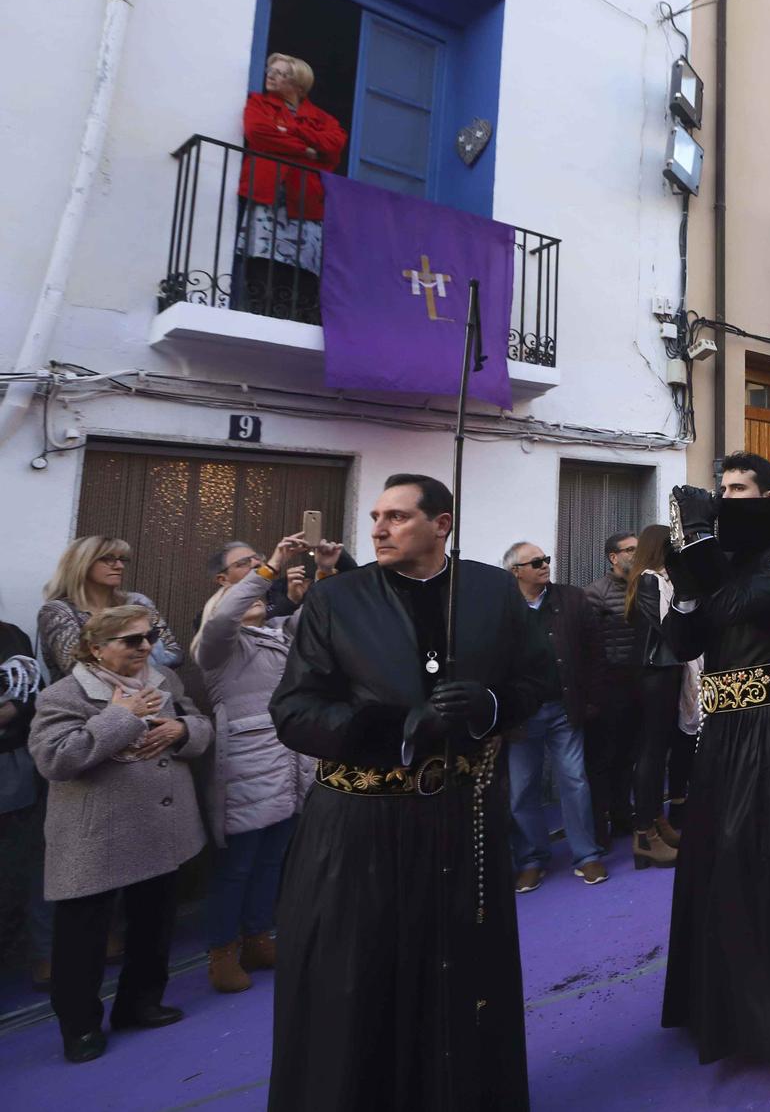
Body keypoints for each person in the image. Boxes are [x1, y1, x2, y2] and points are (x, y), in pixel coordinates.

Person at [268, 474, 556, 1112]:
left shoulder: (490, 591)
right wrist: (396, 728)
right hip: (356, 829)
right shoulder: (335, 600)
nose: (377, 528)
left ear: (442, 524)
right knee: (357, 981)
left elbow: (538, 678)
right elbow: (293, 712)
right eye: (376, 516)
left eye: (396, 516)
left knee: (459, 975)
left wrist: (489, 704)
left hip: (460, 818)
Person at [659, 453, 770, 1112]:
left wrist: (700, 551)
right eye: (721, 490)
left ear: (769, 495)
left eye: (739, 490)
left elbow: (737, 605)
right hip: (723, 732)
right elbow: (683, 641)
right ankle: (731, 1009)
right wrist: (682, 584)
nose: (727, 499)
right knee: (717, 867)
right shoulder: (716, 560)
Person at [29, 604, 212, 1063]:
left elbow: (201, 726)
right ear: (96, 648)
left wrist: (181, 728)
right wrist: (122, 716)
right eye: (132, 641)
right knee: (82, 939)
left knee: (154, 924)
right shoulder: (64, 695)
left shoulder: (164, 680)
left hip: (161, 824)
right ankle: (80, 1028)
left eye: (148, 636)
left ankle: (140, 1004)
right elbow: (56, 760)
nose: (146, 647)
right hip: (97, 835)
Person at [192, 535, 319, 994]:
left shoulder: (275, 634)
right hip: (248, 767)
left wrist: (323, 573)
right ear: (222, 582)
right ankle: (222, 951)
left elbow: (314, 623)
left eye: (259, 566)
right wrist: (270, 566)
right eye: (244, 566)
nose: (260, 573)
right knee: (238, 867)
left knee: (271, 861)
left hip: (288, 763)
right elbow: (224, 616)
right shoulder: (217, 644)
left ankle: (257, 937)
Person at [502, 541, 608, 891]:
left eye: (545, 559)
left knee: (575, 781)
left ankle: (586, 856)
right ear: (516, 571)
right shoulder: (503, 607)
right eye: (535, 562)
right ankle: (531, 859)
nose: (545, 565)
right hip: (521, 714)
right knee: (521, 789)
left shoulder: (571, 599)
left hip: (565, 707)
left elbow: (594, 651)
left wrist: (592, 700)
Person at [235, 52, 348, 321]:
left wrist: (290, 131)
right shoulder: (258, 104)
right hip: (268, 193)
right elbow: (257, 134)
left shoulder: (322, 119)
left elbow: (333, 148)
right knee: (262, 258)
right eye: (269, 70)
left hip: (306, 200)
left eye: (280, 72)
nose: (270, 76)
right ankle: (260, 313)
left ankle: (297, 316)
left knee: (303, 264)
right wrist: (308, 150)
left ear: (298, 84)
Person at [626, 525, 695, 869]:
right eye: (674, 546)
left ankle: (656, 822)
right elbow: (668, 625)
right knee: (651, 752)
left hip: (664, 669)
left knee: (658, 749)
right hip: (656, 671)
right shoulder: (652, 579)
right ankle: (644, 834)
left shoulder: (658, 578)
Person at [38, 536, 183, 680]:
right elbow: (77, 668)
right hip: (85, 700)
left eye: (122, 559)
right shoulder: (58, 612)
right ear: (82, 564)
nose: (119, 566)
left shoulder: (138, 603)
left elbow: (174, 653)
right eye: (108, 558)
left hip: (151, 694)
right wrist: (144, 660)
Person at [0, 613, 53, 993]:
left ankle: (45, 952)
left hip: (14, 765)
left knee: (31, 861)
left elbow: (30, 697)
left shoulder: (9, 635)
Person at [583, 532, 644, 847]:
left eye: (638, 549)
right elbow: (588, 646)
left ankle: (623, 817)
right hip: (609, 685)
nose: (636, 554)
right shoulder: (596, 592)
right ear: (613, 557)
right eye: (630, 549)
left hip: (638, 683)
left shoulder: (644, 587)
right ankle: (598, 829)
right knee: (602, 760)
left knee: (628, 756)